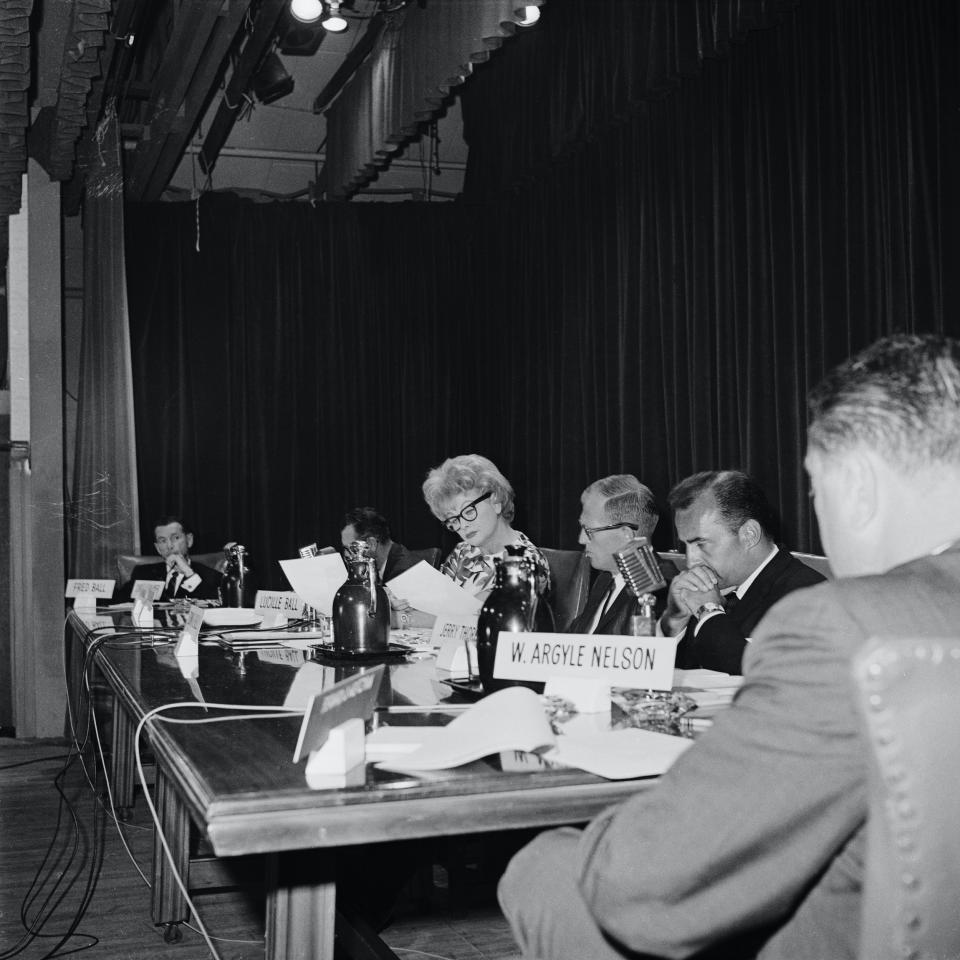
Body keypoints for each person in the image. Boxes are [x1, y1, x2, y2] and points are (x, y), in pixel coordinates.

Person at [498, 332, 960, 960]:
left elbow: (642, 887)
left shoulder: (841, 627)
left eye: (817, 488)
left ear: (857, 485)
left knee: (544, 867)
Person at [660, 470, 824, 674]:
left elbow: (756, 673)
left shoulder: (808, 595)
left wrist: (708, 610)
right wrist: (675, 620)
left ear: (749, 535)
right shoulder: (708, 588)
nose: (691, 561)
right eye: (685, 546)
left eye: (701, 543)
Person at [422, 454, 550, 597]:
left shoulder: (528, 560)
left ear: (496, 501)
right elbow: (435, 602)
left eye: (469, 511)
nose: (463, 525)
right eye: (453, 520)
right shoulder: (463, 552)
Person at [568, 474, 675, 634]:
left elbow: (642, 653)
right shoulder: (606, 578)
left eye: (589, 531)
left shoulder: (656, 590)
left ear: (626, 534)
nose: (581, 539)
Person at [115, 516, 222, 602]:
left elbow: (215, 606)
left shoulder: (211, 576)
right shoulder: (143, 573)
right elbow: (118, 601)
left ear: (189, 540)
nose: (169, 546)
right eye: (162, 541)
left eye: (176, 538)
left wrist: (189, 573)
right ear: (157, 548)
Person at [340, 507, 421, 582]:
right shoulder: (386, 567)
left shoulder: (404, 573)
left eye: (351, 548)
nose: (346, 555)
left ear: (371, 544)